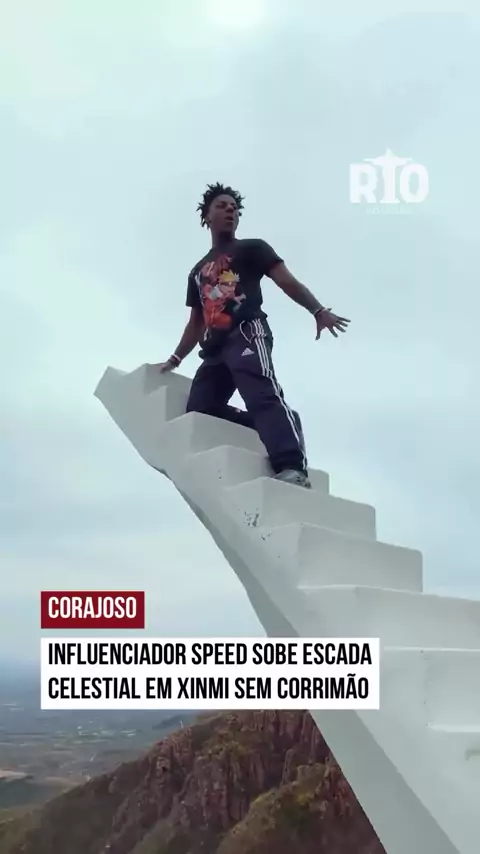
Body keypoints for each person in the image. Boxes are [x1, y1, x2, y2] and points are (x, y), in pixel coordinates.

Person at [157, 182, 350, 489]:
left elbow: (288, 282)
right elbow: (196, 321)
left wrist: (317, 310)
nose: (230, 211)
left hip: (247, 332)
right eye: (222, 206)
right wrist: (175, 358)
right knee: (200, 411)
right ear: (207, 216)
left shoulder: (251, 248)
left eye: (234, 208)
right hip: (214, 351)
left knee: (260, 392)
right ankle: (280, 423)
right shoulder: (197, 272)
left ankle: (291, 466)